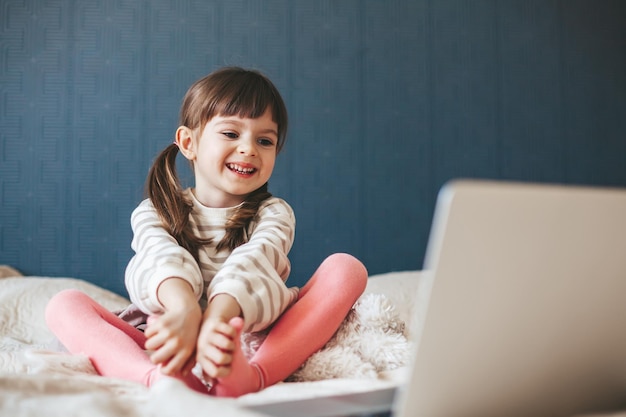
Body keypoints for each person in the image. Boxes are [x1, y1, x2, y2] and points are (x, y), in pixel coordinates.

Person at [45, 66, 368, 397]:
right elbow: (158, 259)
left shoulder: (274, 212)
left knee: (346, 269)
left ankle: (254, 375)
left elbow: (257, 261)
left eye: (265, 140)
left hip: (249, 330)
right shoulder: (155, 210)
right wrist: (184, 310)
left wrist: (218, 318)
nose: (249, 148)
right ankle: (158, 378)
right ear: (189, 142)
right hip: (171, 332)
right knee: (64, 304)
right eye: (231, 134)